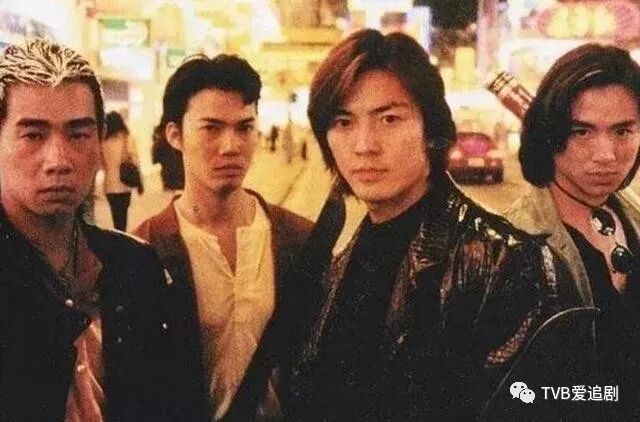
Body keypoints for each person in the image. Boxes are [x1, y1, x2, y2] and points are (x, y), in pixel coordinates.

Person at [285, 29, 562, 421]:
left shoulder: (502, 262)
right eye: (343, 122)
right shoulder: (337, 257)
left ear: (431, 130)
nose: (364, 145)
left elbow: (525, 402)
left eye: (389, 119)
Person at [0, 39, 208, 421]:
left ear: (99, 143)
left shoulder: (135, 266)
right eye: (33, 135)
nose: (58, 160)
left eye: (78, 134)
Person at [134, 54, 313, 421]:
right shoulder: (142, 249)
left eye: (244, 128)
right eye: (211, 128)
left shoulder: (299, 239)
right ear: (175, 135)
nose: (230, 146)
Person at [505, 43, 640, 418]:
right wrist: (608, 396)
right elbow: (516, 393)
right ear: (548, 133)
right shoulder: (510, 246)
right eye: (582, 132)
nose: (606, 155)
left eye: (623, 131)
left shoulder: (631, 216)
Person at [99, 110, 140, 231]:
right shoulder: (127, 139)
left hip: (109, 185)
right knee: (123, 214)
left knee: (115, 214)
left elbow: (100, 165)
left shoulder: (102, 143)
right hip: (124, 184)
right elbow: (135, 160)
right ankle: (122, 235)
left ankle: (117, 234)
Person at [151, 122, 184, 191]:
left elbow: (155, 159)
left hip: (167, 172)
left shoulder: (158, 143)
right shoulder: (175, 140)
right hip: (178, 170)